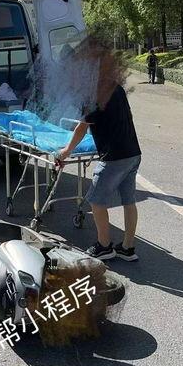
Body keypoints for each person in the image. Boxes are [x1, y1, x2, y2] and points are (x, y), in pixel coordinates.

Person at [57, 40, 141, 261]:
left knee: (95, 200)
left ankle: (104, 246)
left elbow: (82, 127)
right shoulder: (115, 86)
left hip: (114, 156)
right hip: (133, 152)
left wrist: (66, 151)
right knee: (128, 200)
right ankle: (128, 247)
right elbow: (122, 117)